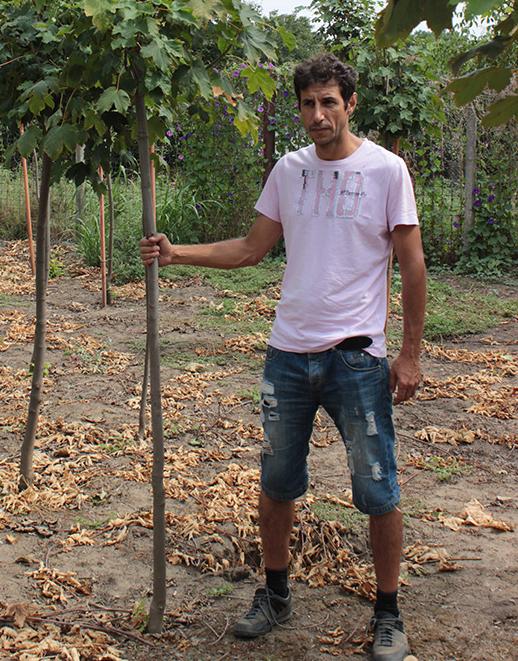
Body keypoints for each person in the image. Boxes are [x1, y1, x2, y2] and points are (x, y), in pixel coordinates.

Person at [140, 53, 426, 661]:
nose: (318, 114)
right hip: (288, 357)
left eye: (329, 102)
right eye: (308, 103)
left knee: (378, 489)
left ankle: (388, 612)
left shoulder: (386, 171)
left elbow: (412, 265)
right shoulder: (288, 171)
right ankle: (274, 595)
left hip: (357, 360)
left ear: (351, 104)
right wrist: (176, 253)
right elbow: (250, 249)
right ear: (298, 108)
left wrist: (408, 354)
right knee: (276, 485)